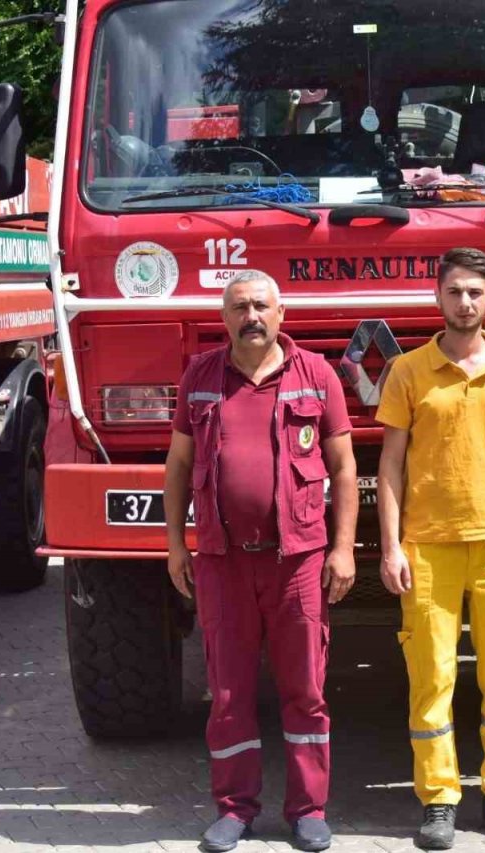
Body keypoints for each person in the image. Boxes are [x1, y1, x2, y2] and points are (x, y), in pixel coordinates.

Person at [164, 270, 358, 852]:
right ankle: (234, 808)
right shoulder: (200, 378)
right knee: (228, 691)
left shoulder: (317, 375)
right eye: (238, 307)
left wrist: (344, 549)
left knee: (306, 689)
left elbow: (344, 467)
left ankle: (308, 809)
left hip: (296, 560)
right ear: (223, 318)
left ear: (281, 314)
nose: (250, 316)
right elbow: (177, 466)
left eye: (260, 306)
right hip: (222, 561)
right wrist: (176, 544)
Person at [375, 247, 485, 850]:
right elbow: (390, 464)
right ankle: (439, 798)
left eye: (476, 292)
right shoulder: (409, 371)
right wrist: (392, 547)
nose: (466, 302)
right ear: (439, 299)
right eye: (456, 292)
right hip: (428, 546)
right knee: (433, 677)